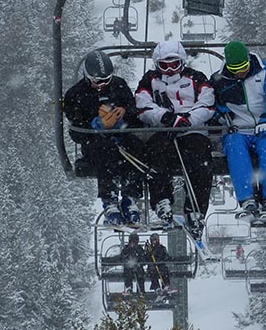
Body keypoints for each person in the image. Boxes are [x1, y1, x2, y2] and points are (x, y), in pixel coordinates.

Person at [134, 40, 216, 235]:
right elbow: (142, 104)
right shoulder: (150, 80)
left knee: (200, 161)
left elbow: (208, 102)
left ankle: (195, 210)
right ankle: (162, 201)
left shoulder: (196, 77)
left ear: (182, 62)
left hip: (192, 130)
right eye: (164, 65)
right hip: (164, 130)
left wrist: (189, 119)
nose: (170, 70)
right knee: (156, 155)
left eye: (174, 64)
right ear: (157, 64)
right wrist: (164, 117)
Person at [209, 40, 266, 224]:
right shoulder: (220, 80)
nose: (240, 73)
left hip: (264, 126)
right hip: (238, 128)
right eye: (234, 69)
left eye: (243, 67)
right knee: (235, 147)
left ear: (249, 60)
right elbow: (212, 102)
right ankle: (247, 200)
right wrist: (222, 114)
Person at [63, 49, 143, 226]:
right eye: (98, 82)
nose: (102, 85)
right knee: (105, 149)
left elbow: (133, 111)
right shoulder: (75, 95)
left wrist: (124, 113)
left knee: (136, 146)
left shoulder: (119, 86)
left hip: (122, 137)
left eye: (106, 81)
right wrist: (96, 125)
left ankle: (131, 196)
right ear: (87, 77)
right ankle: (109, 198)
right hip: (95, 142)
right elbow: (76, 131)